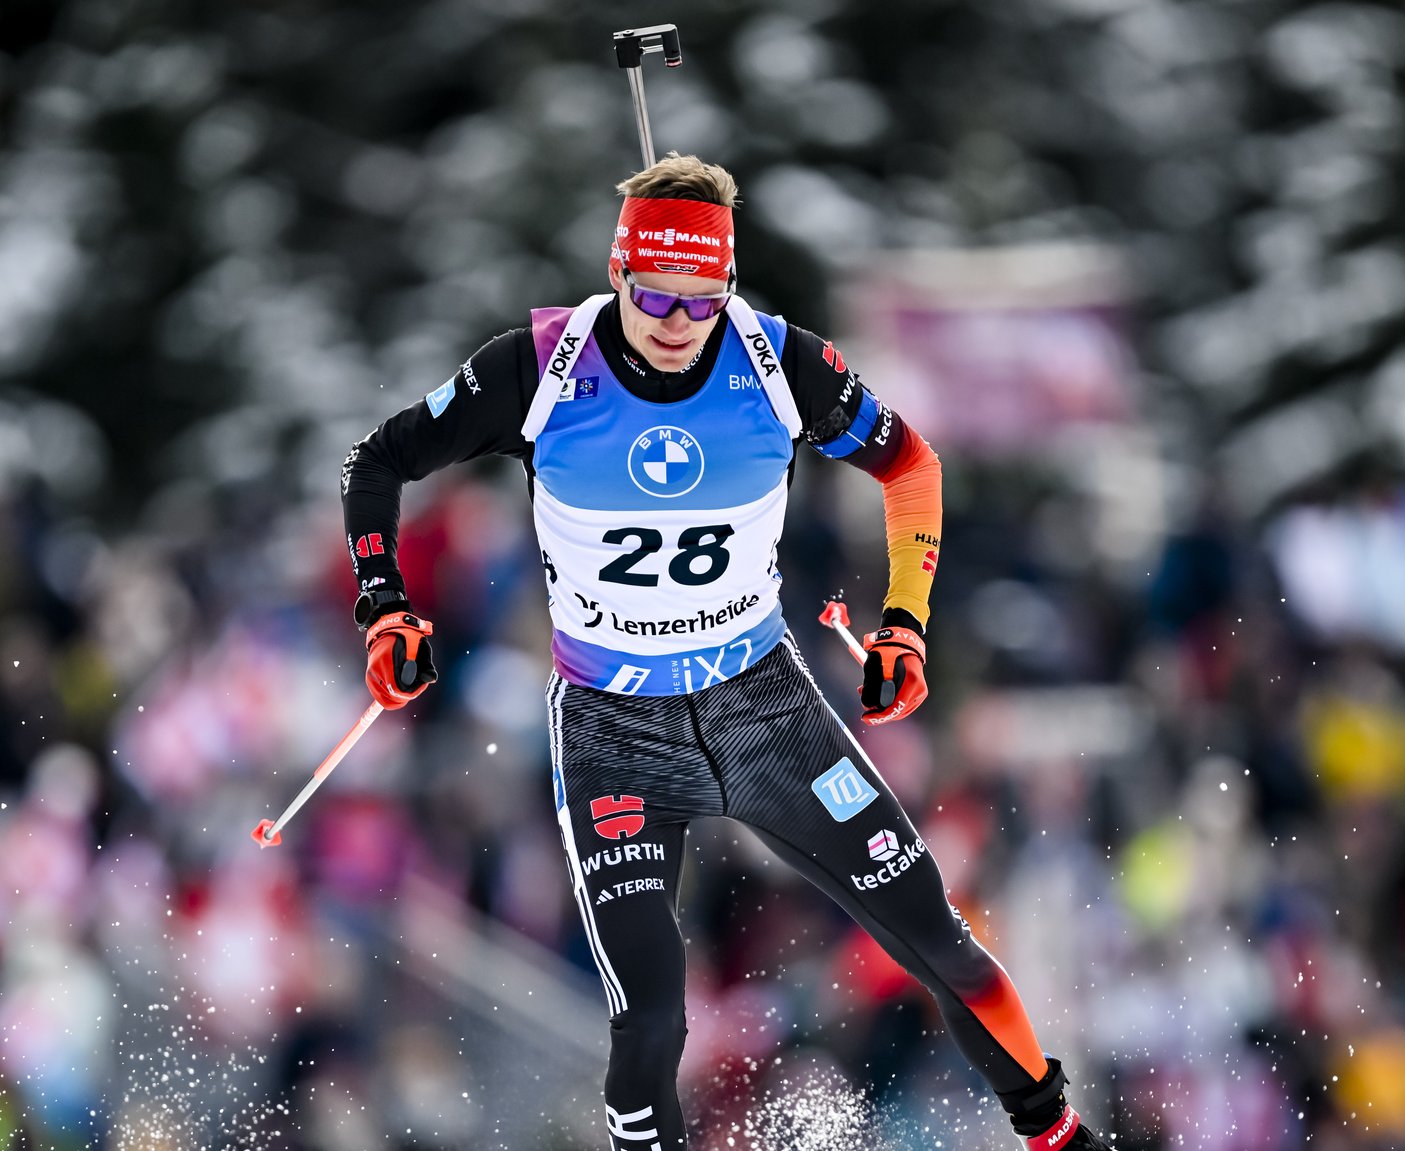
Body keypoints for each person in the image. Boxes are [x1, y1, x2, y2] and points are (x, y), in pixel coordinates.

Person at [339, 153, 1111, 1151]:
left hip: (760, 703)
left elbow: (908, 463)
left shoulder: (780, 365)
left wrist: (905, 620)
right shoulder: (537, 366)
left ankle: (1056, 1133)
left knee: (942, 944)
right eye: (650, 293)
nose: (671, 320)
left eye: (698, 300)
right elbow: (378, 460)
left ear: (726, 290)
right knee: (652, 1015)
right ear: (617, 274)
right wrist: (385, 605)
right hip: (614, 725)